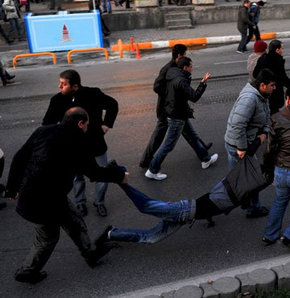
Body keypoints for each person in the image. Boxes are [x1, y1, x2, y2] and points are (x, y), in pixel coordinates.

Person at [5, 107, 129, 284]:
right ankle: (27, 272)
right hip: (42, 202)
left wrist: (12, 188)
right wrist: (120, 176)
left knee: (74, 221)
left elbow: (19, 158)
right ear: (80, 124)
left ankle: (90, 254)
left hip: (42, 194)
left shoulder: (43, 131)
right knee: (48, 238)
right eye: (86, 124)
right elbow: (94, 173)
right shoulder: (79, 143)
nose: (87, 128)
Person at [94, 156, 271, 245]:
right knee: (145, 207)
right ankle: (118, 176)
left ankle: (112, 233)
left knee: (150, 238)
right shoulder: (233, 199)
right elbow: (246, 197)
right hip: (184, 211)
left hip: (185, 216)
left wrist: (208, 220)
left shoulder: (226, 184)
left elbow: (210, 207)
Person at [43, 70, 118, 217]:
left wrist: (107, 124)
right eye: (60, 83)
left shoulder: (93, 94)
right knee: (77, 176)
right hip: (73, 147)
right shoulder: (57, 100)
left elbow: (112, 104)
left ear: (75, 86)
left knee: (102, 173)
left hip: (96, 142)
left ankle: (99, 202)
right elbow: (47, 123)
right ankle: (80, 202)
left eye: (64, 84)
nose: (59, 86)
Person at [140, 44, 212, 169]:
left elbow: (182, 92)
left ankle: (203, 152)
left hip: (176, 107)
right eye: (184, 54)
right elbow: (156, 87)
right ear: (179, 56)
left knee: (188, 130)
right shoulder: (168, 69)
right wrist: (170, 97)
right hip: (166, 108)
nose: (186, 57)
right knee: (161, 136)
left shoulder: (177, 68)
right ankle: (147, 161)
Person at [225, 68, 276, 218]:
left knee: (238, 179)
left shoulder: (261, 95)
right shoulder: (250, 99)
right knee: (250, 179)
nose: (275, 88)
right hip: (239, 146)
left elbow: (266, 115)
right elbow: (237, 124)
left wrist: (264, 132)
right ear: (262, 85)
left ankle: (245, 202)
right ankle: (251, 207)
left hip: (242, 143)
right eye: (272, 85)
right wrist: (241, 148)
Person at [262, 89, 290, 246]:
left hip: (280, 170)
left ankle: (270, 235)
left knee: (279, 201)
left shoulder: (276, 119)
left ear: (287, 100)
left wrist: (269, 172)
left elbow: (270, 149)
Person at [253, 39, 290, 115]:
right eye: (281, 48)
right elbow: (282, 77)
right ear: (277, 50)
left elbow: (255, 74)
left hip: (263, 91)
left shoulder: (263, 58)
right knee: (274, 111)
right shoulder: (278, 60)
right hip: (275, 91)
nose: (282, 50)